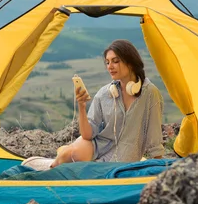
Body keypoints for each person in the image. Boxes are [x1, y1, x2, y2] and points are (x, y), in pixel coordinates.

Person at [50, 39, 164, 167]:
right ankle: (45, 175)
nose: (110, 66)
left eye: (116, 61)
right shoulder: (104, 93)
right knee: (66, 155)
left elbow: (154, 135)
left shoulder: (150, 93)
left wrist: (158, 168)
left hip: (124, 156)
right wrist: (81, 107)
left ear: (131, 62)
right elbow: (87, 135)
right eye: (107, 62)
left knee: (90, 172)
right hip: (97, 146)